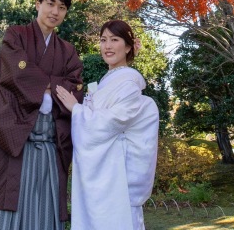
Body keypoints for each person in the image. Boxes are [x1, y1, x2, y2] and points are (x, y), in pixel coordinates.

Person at [0, 0, 84, 229]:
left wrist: (41, 83)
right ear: (38, 4)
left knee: (44, 213)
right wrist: (55, 84)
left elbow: (75, 89)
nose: (55, 12)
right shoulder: (15, 35)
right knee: (7, 209)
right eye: (50, 4)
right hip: (14, 143)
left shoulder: (68, 51)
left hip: (49, 147)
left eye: (62, 7)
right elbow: (16, 74)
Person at [56, 19, 159, 230]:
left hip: (116, 175)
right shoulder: (108, 81)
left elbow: (110, 122)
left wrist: (76, 109)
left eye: (114, 39)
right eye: (103, 40)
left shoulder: (128, 84)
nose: (107, 46)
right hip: (107, 172)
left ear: (128, 47)